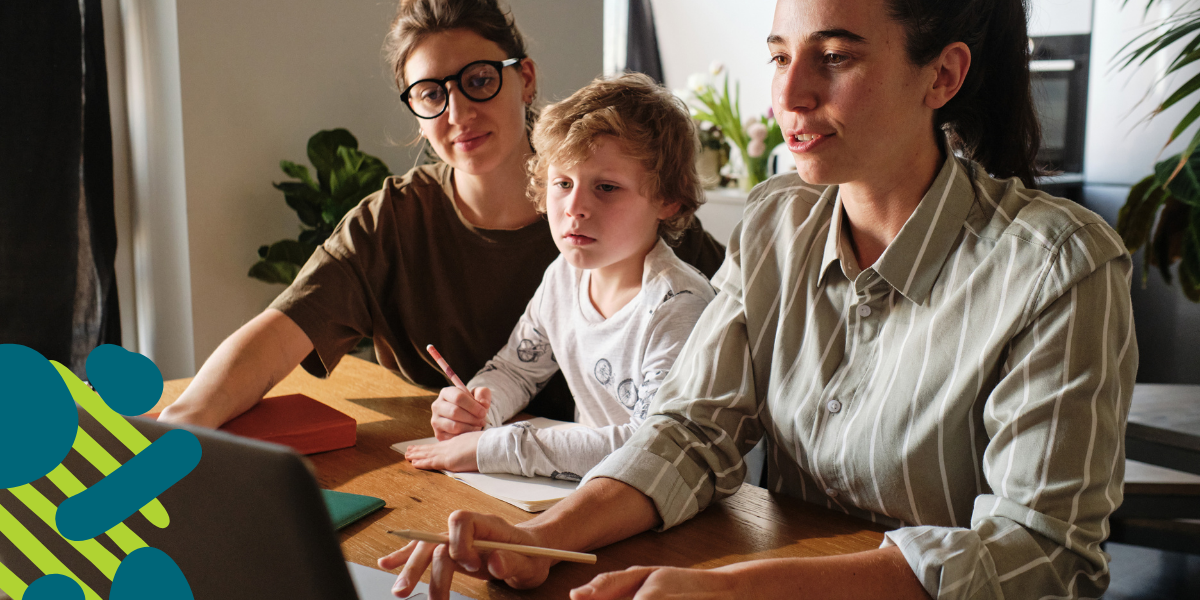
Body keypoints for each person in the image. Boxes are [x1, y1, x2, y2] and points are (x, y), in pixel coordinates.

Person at [378, 0, 1137, 599]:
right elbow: (689, 431)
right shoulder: (778, 221)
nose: (790, 94)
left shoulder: (1061, 266)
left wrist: (740, 589)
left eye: (835, 57)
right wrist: (542, 537)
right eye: (779, 56)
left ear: (942, 76)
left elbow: (1042, 552)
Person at [156, 0, 724, 430]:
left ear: (524, 78)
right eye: (431, 94)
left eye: (478, 80)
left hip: (608, 487)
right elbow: (276, 337)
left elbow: (739, 332)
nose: (458, 112)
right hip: (447, 474)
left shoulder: (625, 206)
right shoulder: (392, 222)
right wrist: (181, 424)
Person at [404, 74, 716, 479]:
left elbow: (651, 446)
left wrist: (492, 447)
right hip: (594, 490)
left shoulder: (680, 306)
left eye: (606, 187)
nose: (574, 207)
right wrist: (476, 410)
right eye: (563, 183)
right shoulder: (563, 277)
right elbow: (517, 370)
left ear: (668, 199)